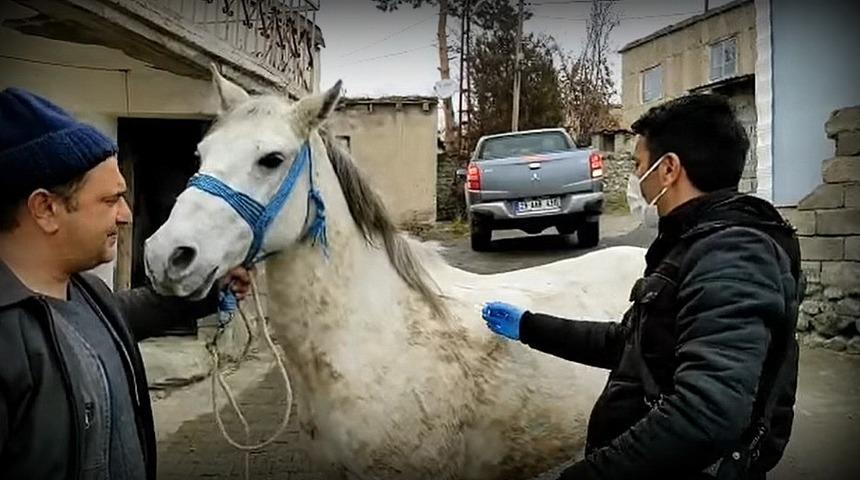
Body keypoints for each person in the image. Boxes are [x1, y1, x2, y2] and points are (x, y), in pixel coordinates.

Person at [482, 94, 803, 480]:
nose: (636, 183)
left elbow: (707, 415)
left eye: (638, 166)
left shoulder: (733, 254)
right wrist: (530, 326)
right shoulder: (694, 243)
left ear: (668, 169)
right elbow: (633, 345)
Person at [0, 87, 251, 480]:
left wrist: (211, 289)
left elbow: (134, 311)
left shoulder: (87, 294)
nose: (127, 215)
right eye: (110, 200)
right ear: (46, 209)